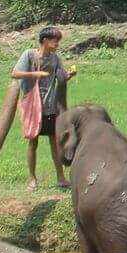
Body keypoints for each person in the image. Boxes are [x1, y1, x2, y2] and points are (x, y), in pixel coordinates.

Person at [13, 27, 76, 192]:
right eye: (54, 40)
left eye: (58, 40)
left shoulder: (55, 59)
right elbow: (15, 73)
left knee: (55, 142)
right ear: (45, 40)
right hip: (33, 106)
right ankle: (32, 178)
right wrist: (35, 74)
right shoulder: (29, 55)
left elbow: (60, 77)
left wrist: (68, 75)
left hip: (50, 106)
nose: (57, 44)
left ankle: (61, 178)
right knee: (33, 142)